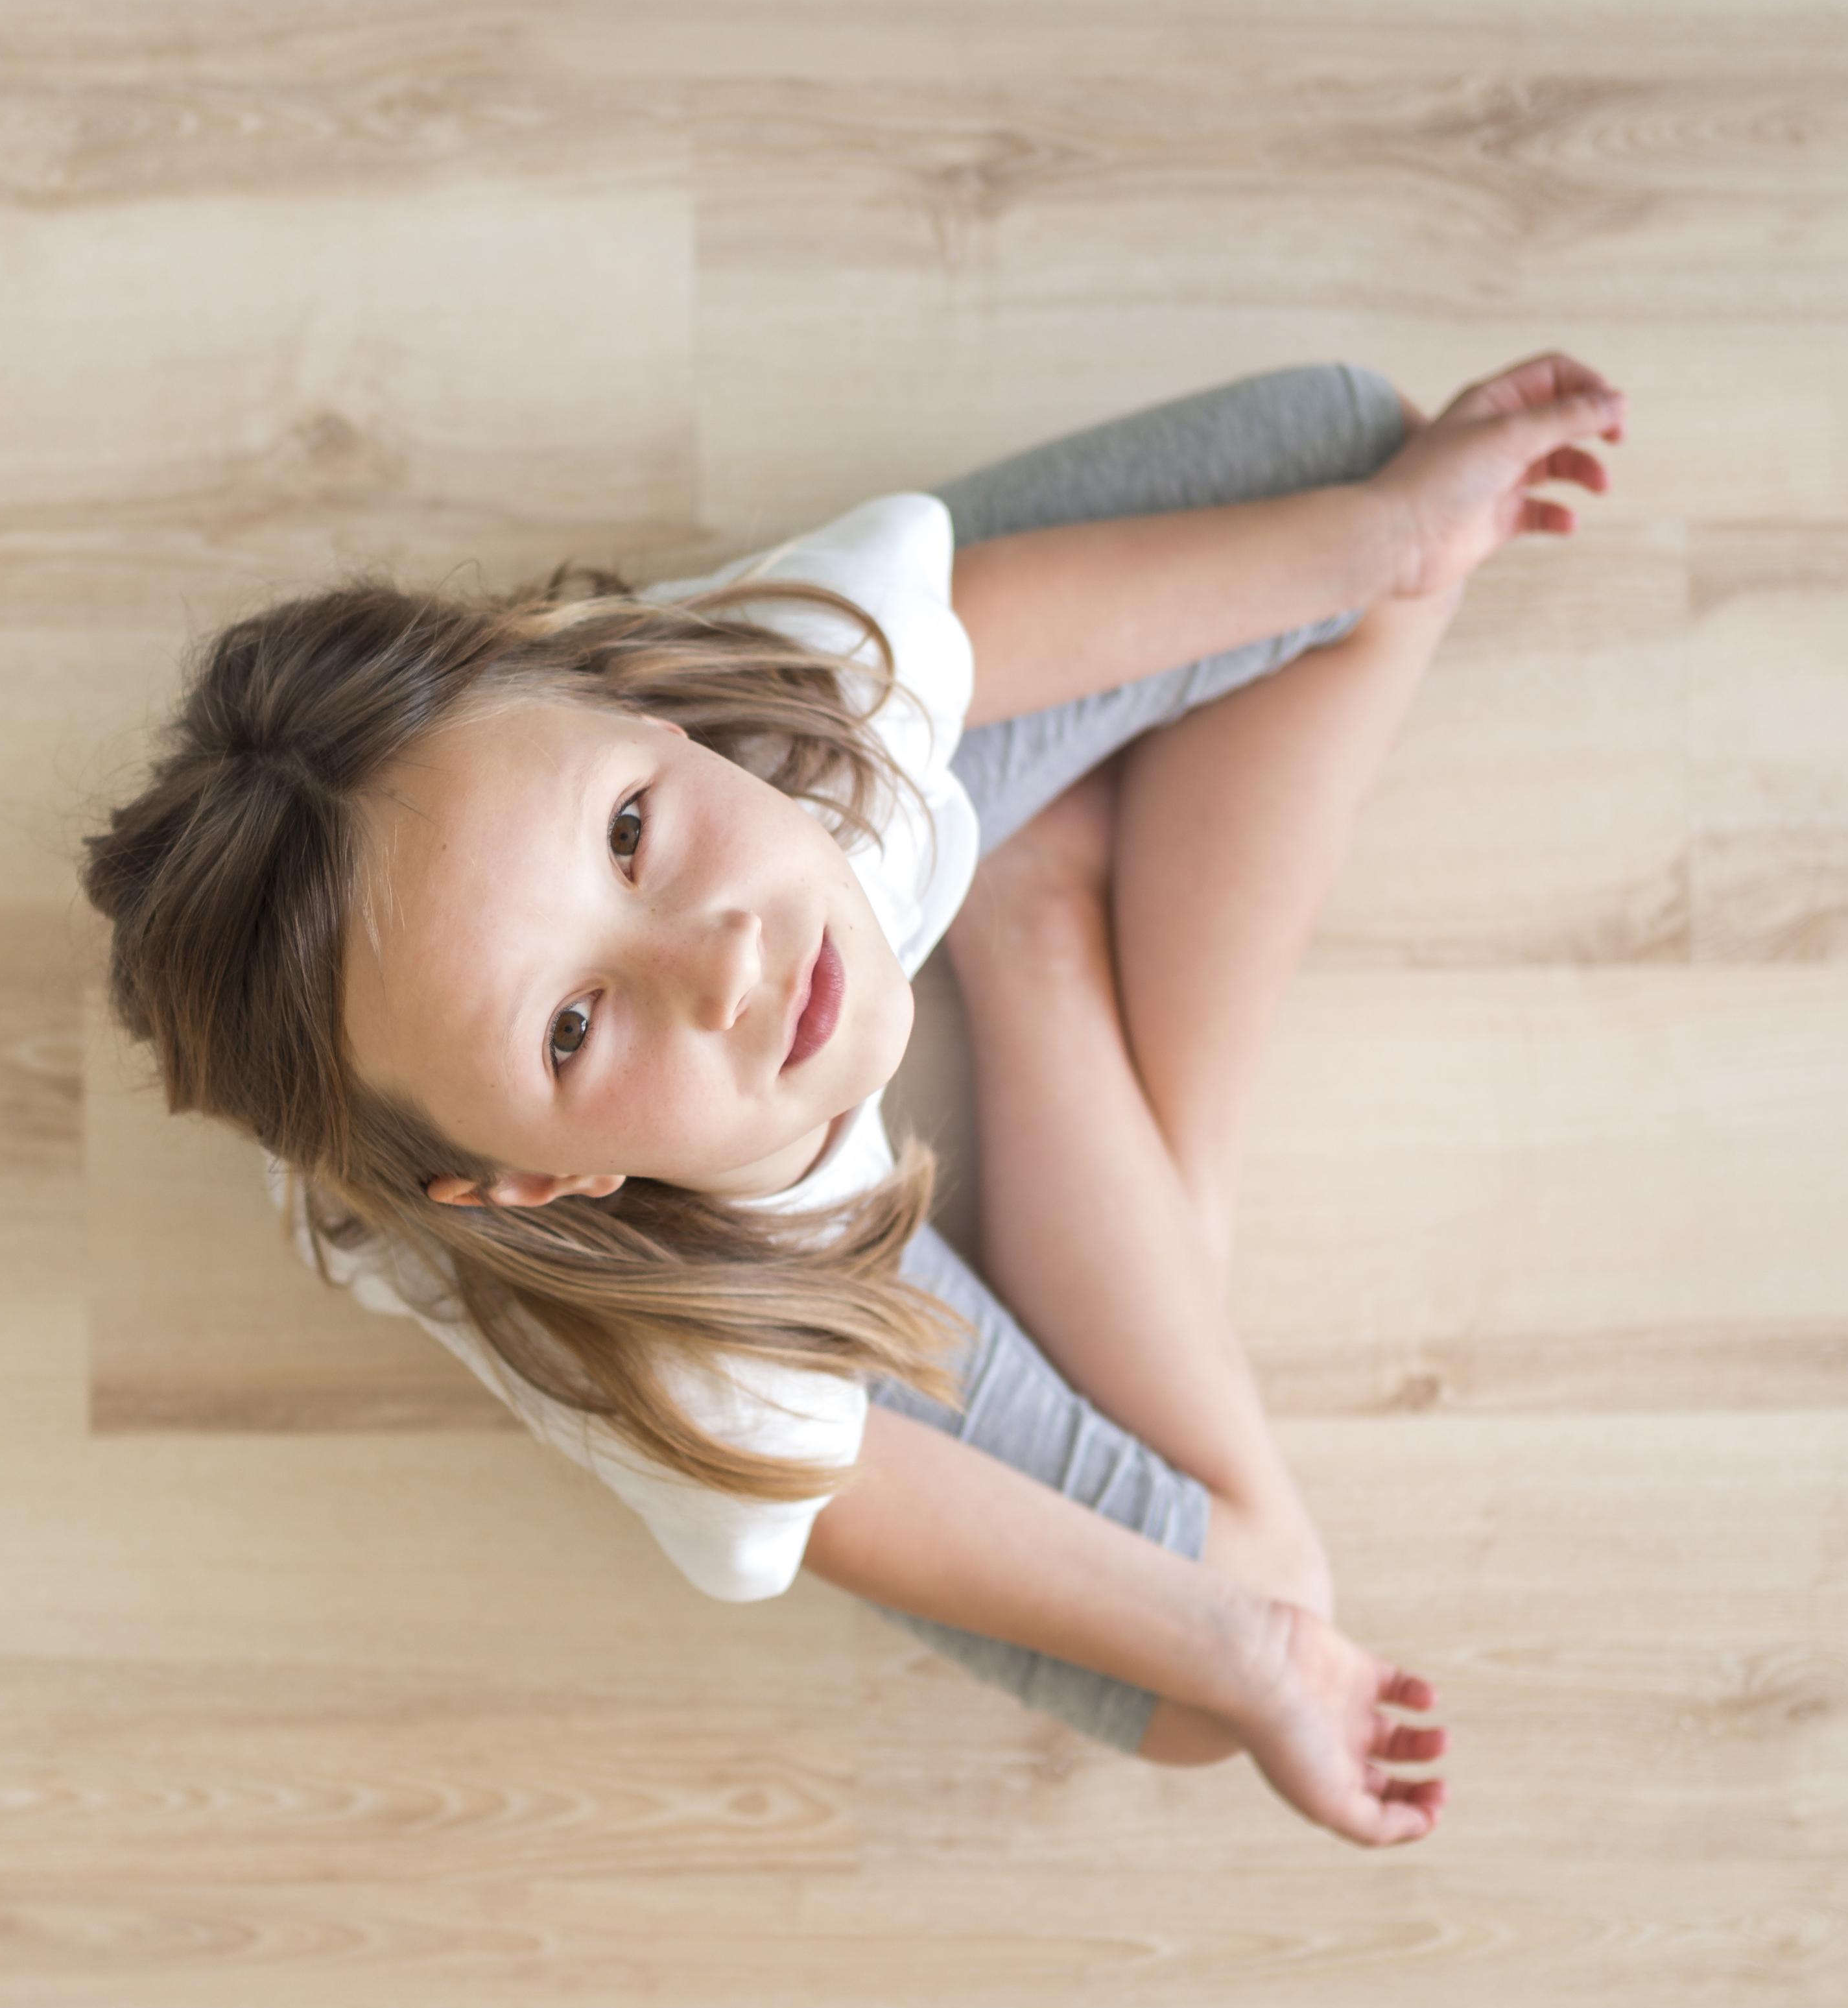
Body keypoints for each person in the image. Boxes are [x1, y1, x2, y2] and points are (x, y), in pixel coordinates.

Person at [78, 350, 1624, 1852]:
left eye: (629, 831)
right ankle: (1037, 944)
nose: (728, 957)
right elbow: (863, 1502)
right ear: (543, 1181)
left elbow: (977, 632)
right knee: (1232, 1666)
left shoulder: (782, 708)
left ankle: (1070, 1000)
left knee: (1363, 453)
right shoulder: (697, 1364)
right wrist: (1262, 1662)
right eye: (569, 1029)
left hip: (793, 762)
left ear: (640, 711)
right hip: (724, 1257)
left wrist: (1393, 537)